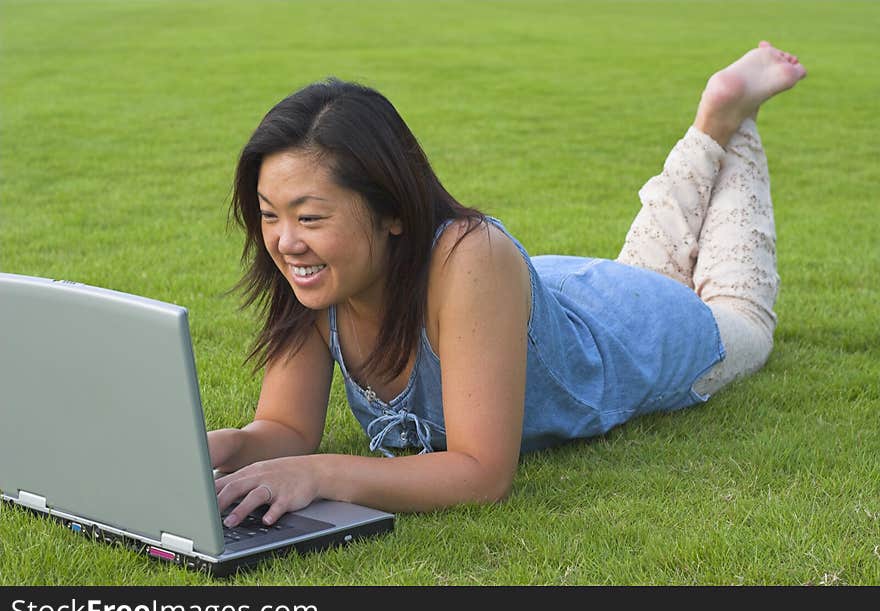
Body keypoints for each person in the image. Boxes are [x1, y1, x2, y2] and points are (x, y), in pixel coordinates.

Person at [210, 42, 807, 528]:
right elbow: (285, 431)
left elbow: (480, 472)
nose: (285, 241)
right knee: (649, 259)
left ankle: (730, 117)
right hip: (556, 296)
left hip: (640, 331)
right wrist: (219, 448)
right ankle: (712, 122)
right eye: (269, 214)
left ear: (394, 210)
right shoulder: (320, 274)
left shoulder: (471, 256)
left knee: (741, 314)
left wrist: (317, 473)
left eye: (309, 217)